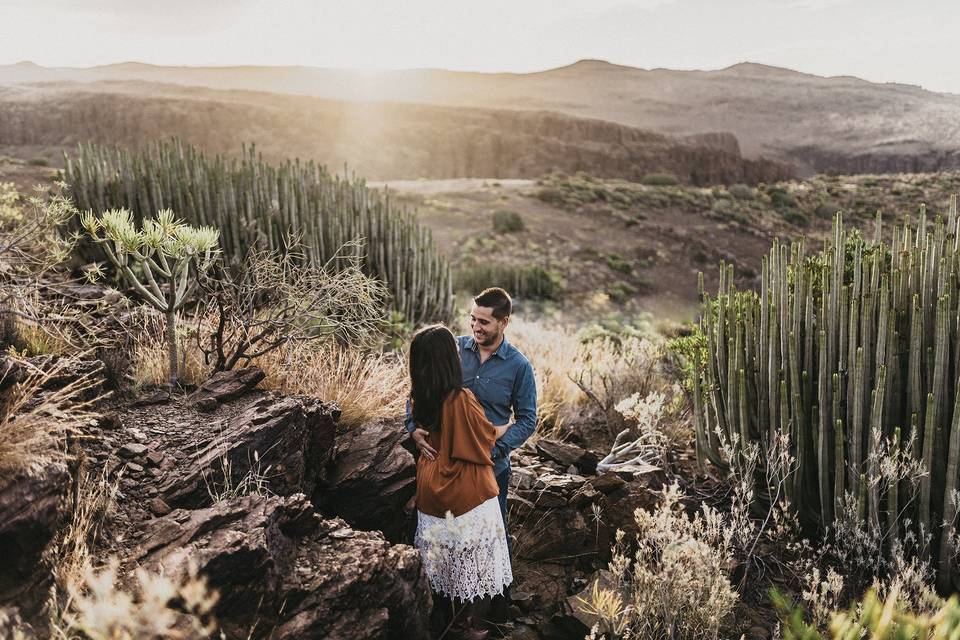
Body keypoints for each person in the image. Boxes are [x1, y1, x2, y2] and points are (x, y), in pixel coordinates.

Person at [407, 287, 538, 551]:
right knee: (442, 542)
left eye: (484, 322)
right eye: (473, 319)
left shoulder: (519, 366)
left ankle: (500, 592)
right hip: (443, 464)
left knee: (491, 541)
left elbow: (527, 419)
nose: (476, 327)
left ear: (504, 323)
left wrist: (492, 449)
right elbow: (419, 389)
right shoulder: (451, 349)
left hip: (491, 467)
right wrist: (412, 427)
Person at [409, 324, 513, 639]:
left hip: (429, 487)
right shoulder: (461, 398)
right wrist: (508, 424)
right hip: (463, 490)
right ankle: (471, 629)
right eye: (454, 349)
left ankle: (444, 624)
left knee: (444, 566)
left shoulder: (419, 395)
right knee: (476, 565)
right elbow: (485, 441)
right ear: (447, 360)